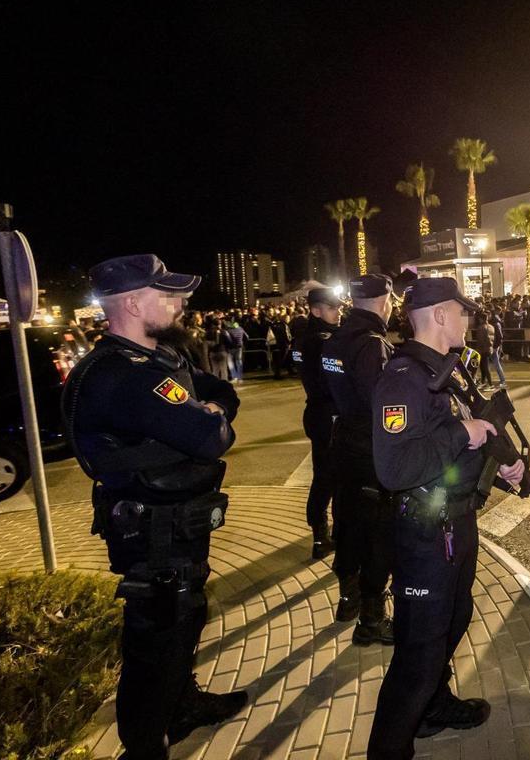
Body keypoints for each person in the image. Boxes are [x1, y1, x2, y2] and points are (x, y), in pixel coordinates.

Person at [62, 255, 247, 758]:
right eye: (168, 295)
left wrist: (210, 411)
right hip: (151, 533)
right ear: (132, 302)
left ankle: (181, 706)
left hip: (178, 521)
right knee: (154, 643)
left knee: (186, 618)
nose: (181, 302)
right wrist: (209, 420)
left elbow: (219, 392)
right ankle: (145, 746)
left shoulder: (161, 359)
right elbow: (209, 437)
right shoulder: (122, 375)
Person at [367, 278, 525, 757]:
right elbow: (394, 467)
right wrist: (465, 433)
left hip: (456, 521)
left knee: (455, 620)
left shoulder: (448, 371)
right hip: (424, 533)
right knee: (419, 651)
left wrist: (502, 470)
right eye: (462, 312)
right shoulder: (402, 378)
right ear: (438, 315)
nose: (468, 320)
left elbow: (457, 445)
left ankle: (433, 707)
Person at [321, 274, 397, 643]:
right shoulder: (371, 344)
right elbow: (381, 404)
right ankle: (371, 619)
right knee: (377, 534)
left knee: (348, 524)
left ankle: (348, 596)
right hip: (370, 449)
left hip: (344, 443)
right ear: (386, 299)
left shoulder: (335, 338)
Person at [293, 287, 343, 560]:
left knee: (324, 475)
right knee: (330, 477)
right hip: (329, 415)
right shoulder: (322, 340)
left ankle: (322, 534)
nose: (339, 312)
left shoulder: (303, 339)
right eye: (332, 307)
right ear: (315, 310)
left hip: (317, 413)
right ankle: (324, 535)